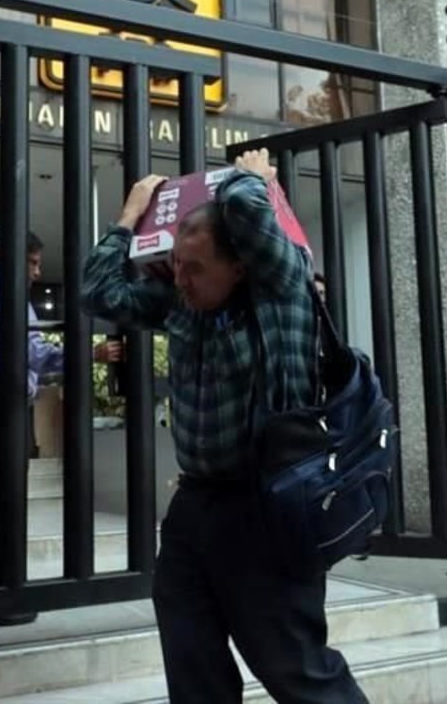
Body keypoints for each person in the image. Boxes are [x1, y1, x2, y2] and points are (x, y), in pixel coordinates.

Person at [81, 149, 367, 703]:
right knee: (193, 665)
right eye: (177, 264)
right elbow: (98, 292)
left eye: (195, 268)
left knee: (297, 670)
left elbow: (243, 206)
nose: (181, 278)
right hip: (195, 509)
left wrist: (249, 177)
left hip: (267, 509)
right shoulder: (181, 304)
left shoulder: (281, 290)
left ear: (239, 265)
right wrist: (130, 216)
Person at [0, 231, 121, 627]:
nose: (36, 272)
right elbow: (32, 353)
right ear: (13, 260)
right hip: (2, 405)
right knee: (1, 500)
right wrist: (90, 353)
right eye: (32, 263)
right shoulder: (7, 295)